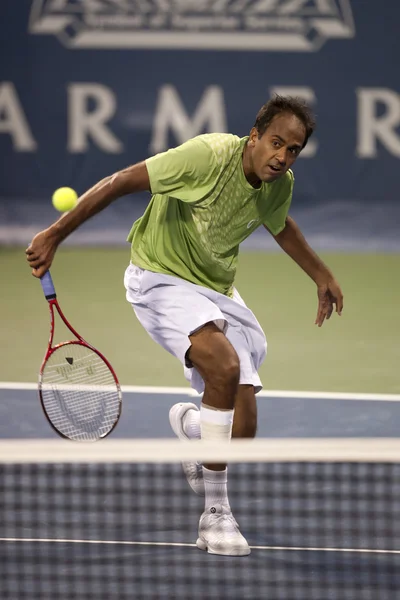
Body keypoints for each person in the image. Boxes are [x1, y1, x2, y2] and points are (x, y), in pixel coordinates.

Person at [26, 95, 343, 557]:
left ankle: (193, 428)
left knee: (243, 434)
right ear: (254, 136)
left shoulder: (279, 183)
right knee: (224, 365)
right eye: (276, 142)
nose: (282, 156)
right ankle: (215, 516)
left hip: (214, 286)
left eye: (293, 150)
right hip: (159, 277)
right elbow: (119, 182)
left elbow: (280, 225)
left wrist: (322, 274)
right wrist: (55, 234)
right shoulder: (206, 157)